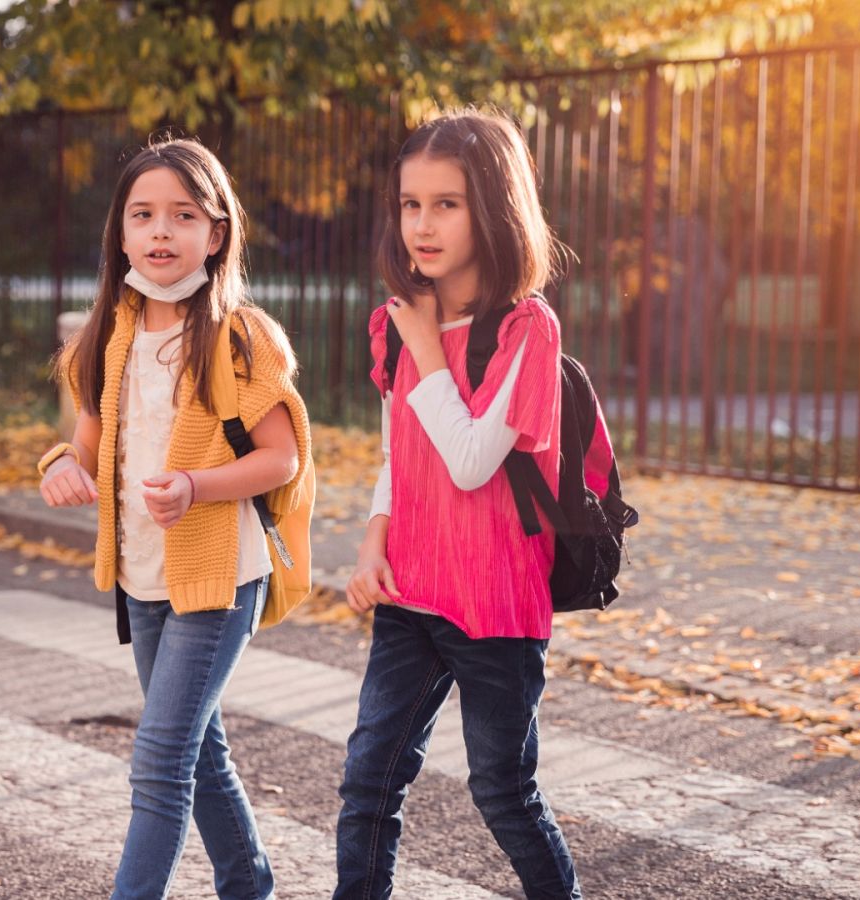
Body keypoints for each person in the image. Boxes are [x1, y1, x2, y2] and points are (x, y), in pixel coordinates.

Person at [37, 137, 311, 900]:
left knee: (160, 756)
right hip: (144, 577)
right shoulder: (109, 337)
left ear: (215, 233)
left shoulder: (239, 336)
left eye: (183, 215)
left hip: (222, 575)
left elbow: (281, 459)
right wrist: (60, 468)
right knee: (200, 749)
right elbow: (85, 449)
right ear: (121, 234)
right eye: (144, 215)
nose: (162, 232)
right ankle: (250, 885)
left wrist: (196, 485)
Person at [334, 108, 582, 900]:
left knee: (502, 793)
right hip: (410, 589)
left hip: (497, 603)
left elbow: (474, 461)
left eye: (447, 203)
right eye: (411, 204)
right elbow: (397, 457)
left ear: (495, 208)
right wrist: (375, 543)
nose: (423, 225)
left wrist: (431, 353)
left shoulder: (526, 331)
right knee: (369, 783)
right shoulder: (397, 324)